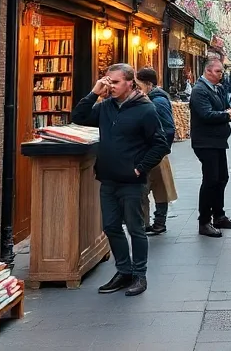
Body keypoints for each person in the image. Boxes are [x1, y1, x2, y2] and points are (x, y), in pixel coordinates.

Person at [70, 63, 169, 297]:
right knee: (111, 226)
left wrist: (140, 168)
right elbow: (79, 116)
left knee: (136, 228)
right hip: (107, 178)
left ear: (129, 83)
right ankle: (123, 271)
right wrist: (94, 92)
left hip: (132, 182)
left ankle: (139, 274)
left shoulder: (146, 110)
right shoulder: (105, 107)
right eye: (107, 81)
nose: (110, 86)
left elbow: (160, 144)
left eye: (114, 82)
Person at [190, 55, 231, 237]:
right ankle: (204, 221)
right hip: (205, 142)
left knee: (222, 177)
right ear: (208, 71)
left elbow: (225, 108)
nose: (221, 74)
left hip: (218, 141)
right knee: (211, 180)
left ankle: (219, 215)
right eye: (218, 71)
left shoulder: (217, 88)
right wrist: (227, 115)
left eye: (221, 71)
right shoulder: (199, 90)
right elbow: (206, 114)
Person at [135, 67, 178, 236]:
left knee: (153, 189)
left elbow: (168, 129)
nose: (137, 88)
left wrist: (160, 149)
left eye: (138, 85)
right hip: (153, 150)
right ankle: (152, 223)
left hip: (154, 151)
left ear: (148, 84)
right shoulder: (153, 98)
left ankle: (154, 223)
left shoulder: (157, 102)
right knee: (154, 188)